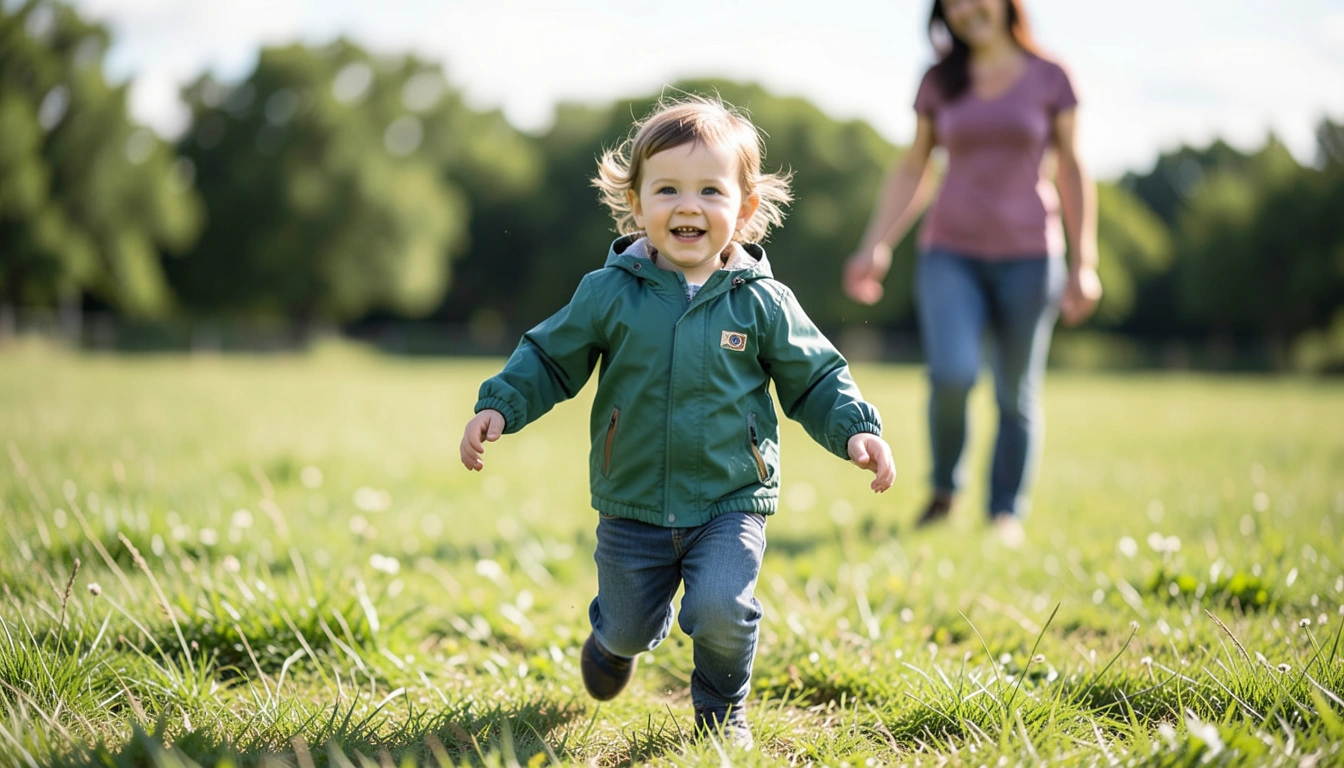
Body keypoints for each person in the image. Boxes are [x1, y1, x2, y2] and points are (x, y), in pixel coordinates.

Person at [459, 96, 896, 749]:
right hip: (632, 503)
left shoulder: (762, 303)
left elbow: (818, 377)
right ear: (636, 204)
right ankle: (615, 640)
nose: (687, 206)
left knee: (723, 607)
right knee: (632, 623)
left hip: (728, 502)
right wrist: (500, 403)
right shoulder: (611, 293)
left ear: (744, 212)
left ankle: (722, 713)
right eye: (667, 189)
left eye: (709, 191)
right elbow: (550, 357)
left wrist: (855, 426)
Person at [843, 0, 1101, 546]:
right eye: (950, 4)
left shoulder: (1051, 76)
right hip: (949, 253)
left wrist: (1086, 262)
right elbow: (916, 164)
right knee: (952, 374)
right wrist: (877, 244)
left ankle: (1005, 512)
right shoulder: (940, 80)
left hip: (1032, 256)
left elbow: (1074, 167)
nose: (964, 10)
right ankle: (944, 492)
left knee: (1015, 391)